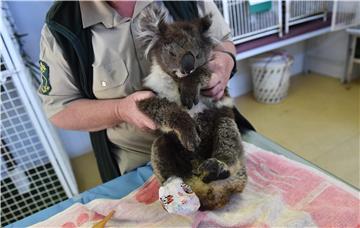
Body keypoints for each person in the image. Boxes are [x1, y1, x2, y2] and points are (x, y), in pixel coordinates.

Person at [38, 1, 237, 175]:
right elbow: (60, 110)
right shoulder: (63, 25)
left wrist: (225, 62)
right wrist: (120, 110)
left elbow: (223, 42)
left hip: (210, 132)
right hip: (139, 162)